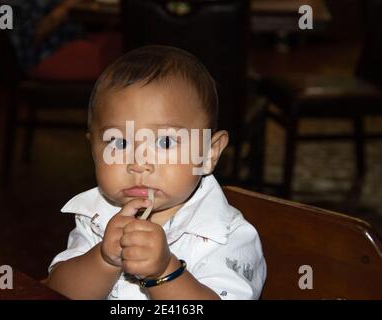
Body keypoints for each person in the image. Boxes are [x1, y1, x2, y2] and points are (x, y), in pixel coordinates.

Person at [45, 45, 266, 300]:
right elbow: (55, 291)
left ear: (209, 154)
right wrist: (103, 260)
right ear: (94, 150)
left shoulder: (227, 236)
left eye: (165, 143)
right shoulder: (96, 218)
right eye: (120, 143)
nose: (139, 163)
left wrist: (165, 272)